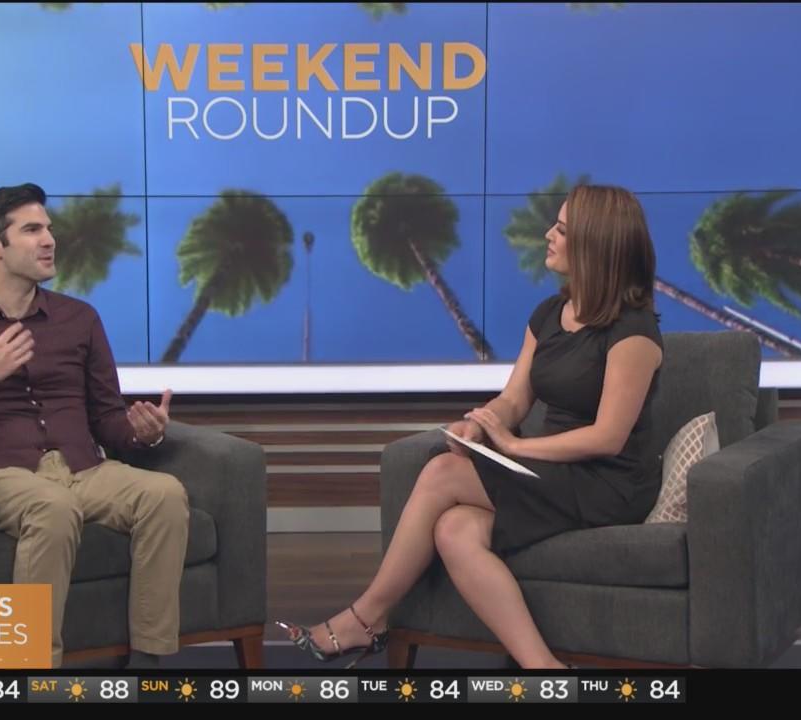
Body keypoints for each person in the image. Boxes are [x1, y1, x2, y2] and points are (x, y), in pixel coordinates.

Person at [278, 184, 664, 669]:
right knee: (454, 529)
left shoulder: (633, 331)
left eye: (563, 230)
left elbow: (608, 437)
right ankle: (546, 672)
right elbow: (515, 398)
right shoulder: (548, 315)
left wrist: (514, 447)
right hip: (552, 473)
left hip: (608, 483)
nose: (548, 234)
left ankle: (367, 617)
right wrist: (480, 425)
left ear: (595, 245)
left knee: (443, 473)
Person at [0, 183, 187, 669]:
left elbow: (106, 418)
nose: (49, 240)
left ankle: (148, 661)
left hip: (82, 468)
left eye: (49, 229)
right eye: (32, 230)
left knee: (164, 494)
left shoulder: (79, 319)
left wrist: (144, 433)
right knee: (52, 507)